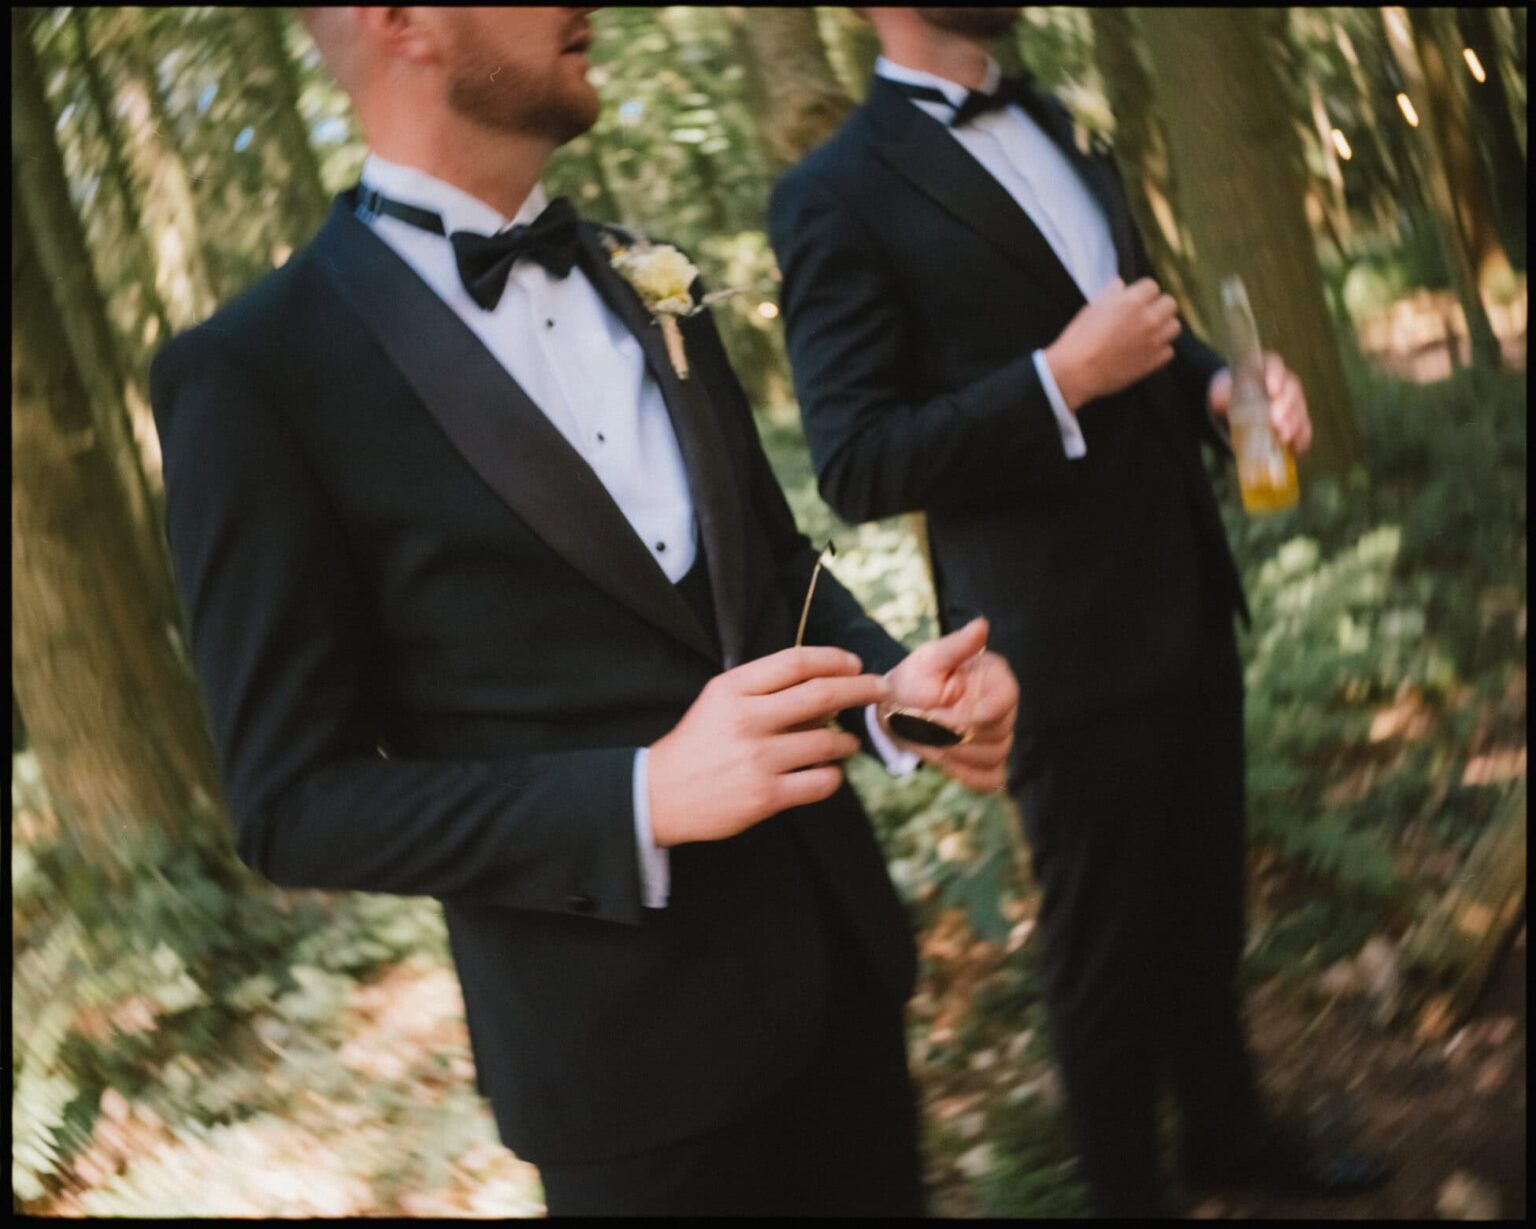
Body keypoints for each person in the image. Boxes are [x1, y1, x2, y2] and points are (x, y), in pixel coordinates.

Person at [148, 6, 1021, 1217]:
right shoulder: (250, 376)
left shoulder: (648, 276)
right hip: (629, 1073)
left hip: (839, 968)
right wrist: (640, 796)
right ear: (399, 23)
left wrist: (893, 694)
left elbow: (769, 568)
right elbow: (294, 803)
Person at [768, 5, 1390, 1217]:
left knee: (1207, 910)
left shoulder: (1057, 117)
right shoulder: (832, 194)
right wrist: (1058, 379)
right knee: (1102, 957)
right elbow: (856, 459)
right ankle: (1129, 1193)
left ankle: (1231, 1133)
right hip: (1047, 645)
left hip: (1187, 588)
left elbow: (1144, 318)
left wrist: (1221, 382)